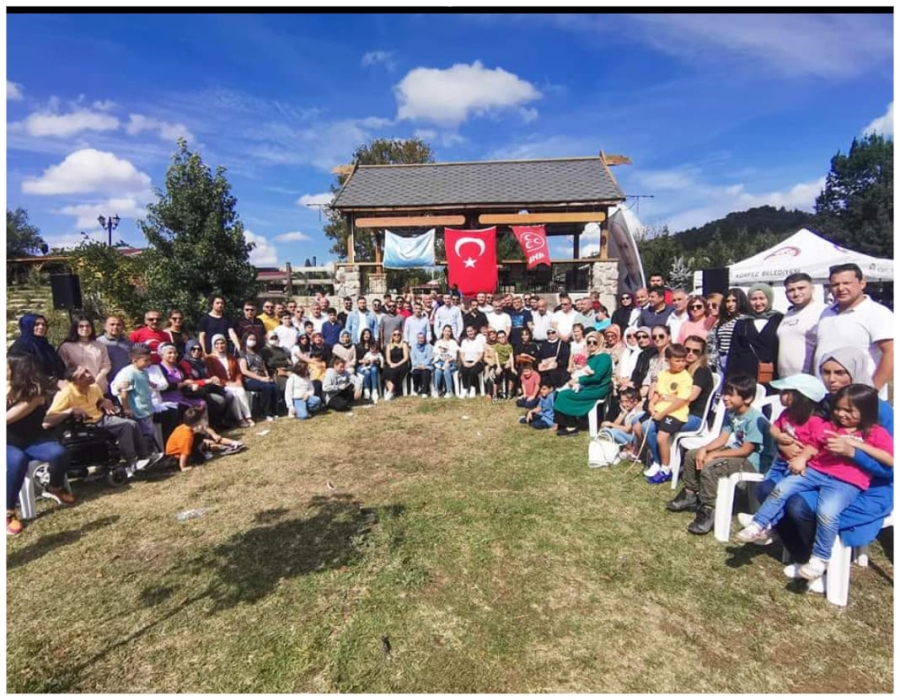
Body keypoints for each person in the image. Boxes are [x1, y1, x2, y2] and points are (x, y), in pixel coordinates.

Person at [759, 347, 894, 587]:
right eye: (826, 372)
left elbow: (889, 468)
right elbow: (805, 437)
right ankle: (802, 555)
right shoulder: (824, 402)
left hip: (866, 486)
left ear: (855, 372)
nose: (832, 379)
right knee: (767, 488)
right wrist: (785, 447)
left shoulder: (878, 409)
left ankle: (819, 561)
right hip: (820, 471)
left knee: (798, 503)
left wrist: (853, 453)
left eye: (840, 372)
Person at [665, 374, 769, 535]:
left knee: (711, 467)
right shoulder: (732, 413)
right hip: (736, 454)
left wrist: (715, 456)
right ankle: (690, 493)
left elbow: (746, 450)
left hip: (751, 461)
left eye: (730, 395)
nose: (725, 398)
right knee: (692, 455)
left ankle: (709, 509)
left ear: (747, 398)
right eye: (725, 393)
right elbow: (722, 439)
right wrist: (705, 449)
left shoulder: (755, 419)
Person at [48, 365, 162, 475]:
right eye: (82, 376)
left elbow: (100, 400)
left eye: (87, 371)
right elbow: (48, 419)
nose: (88, 375)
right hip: (85, 425)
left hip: (100, 418)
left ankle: (144, 456)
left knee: (133, 424)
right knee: (126, 425)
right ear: (74, 382)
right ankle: (132, 462)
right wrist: (70, 410)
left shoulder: (94, 387)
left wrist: (104, 401)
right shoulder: (66, 394)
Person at [7, 355, 75, 535]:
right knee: (18, 460)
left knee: (58, 453)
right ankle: (8, 512)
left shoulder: (36, 394)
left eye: (7, 367)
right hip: (8, 442)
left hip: (33, 439)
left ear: (18, 371)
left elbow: (9, 418)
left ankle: (54, 487)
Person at [644, 335, 717, 483]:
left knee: (653, 428)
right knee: (645, 424)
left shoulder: (701, 371)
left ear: (701, 354)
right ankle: (659, 462)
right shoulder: (679, 369)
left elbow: (690, 397)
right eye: (687, 349)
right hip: (675, 411)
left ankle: (664, 466)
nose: (690, 353)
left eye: (695, 351)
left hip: (694, 417)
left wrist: (667, 398)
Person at [814, 263, 893, 398]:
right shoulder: (826, 312)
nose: (841, 288)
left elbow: (892, 354)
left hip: (860, 400)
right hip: (827, 395)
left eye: (846, 283)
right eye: (835, 284)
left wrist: (871, 392)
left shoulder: (878, 313)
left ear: (862, 284)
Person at [641, 344, 694, 482]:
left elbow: (681, 400)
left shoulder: (685, 377)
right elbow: (658, 393)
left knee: (661, 437)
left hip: (676, 413)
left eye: (683, 360)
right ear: (667, 360)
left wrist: (662, 413)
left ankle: (666, 469)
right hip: (660, 410)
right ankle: (656, 461)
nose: (682, 363)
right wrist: (652, 404)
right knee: (645, 426)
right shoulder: (663, 374)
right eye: (677, 360)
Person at [553, 330, 613, 437]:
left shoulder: (604, 357)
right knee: (558, 392)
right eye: (589, 342)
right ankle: (563, 424)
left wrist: (578, 380)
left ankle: (572, 426)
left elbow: (597, 377)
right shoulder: (591, 357)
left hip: (597, 389)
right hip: (587, 387)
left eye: (594, 342)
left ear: (599, 343)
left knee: (564, 395)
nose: (591, 345)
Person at [725, 283, 783, 386]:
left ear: (769, 299)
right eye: (754, 299)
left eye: (762, 298)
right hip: (746, 376)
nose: (758, 303)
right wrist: (730, 379)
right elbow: (734, 352)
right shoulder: (743, 322)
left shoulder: (779, 319)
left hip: (773, 374)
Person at [776, 273, 827, 378]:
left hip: (809, 380)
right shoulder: (788, 314)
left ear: (812, 289)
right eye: (791, 290)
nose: (796, 293)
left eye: (801, 288)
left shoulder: (823, 311)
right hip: (786, 379)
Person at [165, 407, 243, 471]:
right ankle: (225, 446)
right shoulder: (186, 437)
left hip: (184, 448)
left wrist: (214, 435)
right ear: (196, 423)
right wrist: (183, 467)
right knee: (200, 458)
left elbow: (206, 429)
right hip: (175, 456)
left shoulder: (184, 427)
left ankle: (233, 443)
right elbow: (184, 453)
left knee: (201, 438)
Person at [179, 339, 231, 429]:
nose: (196, 351)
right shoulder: (184, 363)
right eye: (193, 349)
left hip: (208, 388)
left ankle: (221, 421)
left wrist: (214, 380)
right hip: (196, 392)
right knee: (220, 400)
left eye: (199, 349)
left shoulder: (201, 362)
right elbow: (188, 381)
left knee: (229, 395)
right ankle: (213, 425)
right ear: (188, 349)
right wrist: (206, 381)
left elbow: (208, 375)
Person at [205, 334, 254, 428]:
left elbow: (238, 372)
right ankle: (240, 419)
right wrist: (227, 383)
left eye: (222, 343)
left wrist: (238, 380)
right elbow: (212, 375)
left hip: (234, 382)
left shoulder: (231, 357)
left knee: (241, 391)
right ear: (213, 345)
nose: (220, 346)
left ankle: (248, 417)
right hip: (221, 385)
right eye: (217, 344)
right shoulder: (210, 359)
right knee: (233, 394)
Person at [57, 315, 113, 394]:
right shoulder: (66, 347)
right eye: (81, 326)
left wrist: (95, 381)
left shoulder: (100, 345)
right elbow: (64, 368)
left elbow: (106, 365)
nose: (85, 329)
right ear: (75, 328)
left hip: (98, 387)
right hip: (77, 389)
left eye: (88, 326)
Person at [9, 313, 67, 389]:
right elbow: (25, 372)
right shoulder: (20, 347)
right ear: (27, 326)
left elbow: (59, 367)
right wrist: (53, 382)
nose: (41, 327)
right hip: (32, 391)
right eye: (36, 324)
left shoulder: (46, 346)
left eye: (44, 324)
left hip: (52, 389)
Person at [238, 330, 279, 421]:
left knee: (274, 386)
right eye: (250, 339)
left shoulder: (258, 352)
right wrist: (261, 378)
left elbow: (263, 366)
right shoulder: (242, 353)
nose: (253, 341)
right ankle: (265, 412)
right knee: (267, 387)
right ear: (245, 340)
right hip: (249, 380)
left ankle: (274, 411)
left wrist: (267, 376)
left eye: (254, 339)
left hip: (262, 377)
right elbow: (244, 371)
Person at [711, 288, 749, 374]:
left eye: (734, 301)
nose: (730, 304)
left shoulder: (744, 319)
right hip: (720, 358)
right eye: (727, 301)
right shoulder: (724, 320)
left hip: (734, 358)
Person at [598, 387, 643, 455]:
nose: (624, 404)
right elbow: (616, 424)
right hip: (628, 436)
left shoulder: (637, 412)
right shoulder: (626, 411)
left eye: (626, 401)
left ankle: (631, 449)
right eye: (622, 402)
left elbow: (627, 429)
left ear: (635, 401)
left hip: (635, 438)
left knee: (614, 432)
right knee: (609, 430)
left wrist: (610, 424)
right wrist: (623, 414)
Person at [97, 315, 132, 387]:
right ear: (105, 327)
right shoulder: (98, 343)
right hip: (105, 383)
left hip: (124, 382)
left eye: (118, 325)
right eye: (112, 324)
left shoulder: (128, 343)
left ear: (122, 327)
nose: (115, 327)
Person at [433, 324, 460, 398]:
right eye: (446, 331)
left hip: (452, 364)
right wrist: (440, 359)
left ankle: (449, 391)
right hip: (440, 363)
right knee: (438, 371)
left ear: (451, 333)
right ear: (443, 332)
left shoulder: (453, 342)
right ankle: (437, 390)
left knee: (446, 370)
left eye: (449, 331)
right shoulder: (438, 342)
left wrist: (447, 360)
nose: (447, 333)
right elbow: (434, 354)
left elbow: (455, 357)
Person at [382, 329, 410, 401]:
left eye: (398, 334)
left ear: (401, 336)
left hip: (402, 364)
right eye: (394, 334)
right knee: (386, 370)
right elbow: (387, 358)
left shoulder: (404, 344)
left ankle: (391, 391)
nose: (396, 336)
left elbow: (406, 358)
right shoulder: (389, 345)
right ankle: (391, 390)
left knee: (395, 371)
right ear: (392, 336)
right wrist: (391, 364)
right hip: (391, 363)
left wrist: (397, 364)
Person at [459, 325, 485, 398]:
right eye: (468, 331)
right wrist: (464, 362)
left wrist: (474, 363)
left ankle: (472, 389)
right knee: (464, 370)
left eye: (471, 331)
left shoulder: (479, 341)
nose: (470, 333)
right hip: (466, 361)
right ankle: (465, 389)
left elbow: (480, 354)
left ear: (474, 331)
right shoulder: (464, 341)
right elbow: (462, 353)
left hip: (477, 362)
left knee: (473, 371)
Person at [410, 331, 434, 397]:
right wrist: (418, 365)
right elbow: (413, 358)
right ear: (417, 339)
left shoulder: (429, 347)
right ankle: (416, 389)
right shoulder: (414, 347)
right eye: (419, 338)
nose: (421, 340)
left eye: (422, 338)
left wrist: (424, 365)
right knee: (415, 373)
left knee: (425, 373)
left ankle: (425, 391)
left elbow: (429, 358)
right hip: (416, 366)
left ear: (425, 338)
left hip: (427, 366)